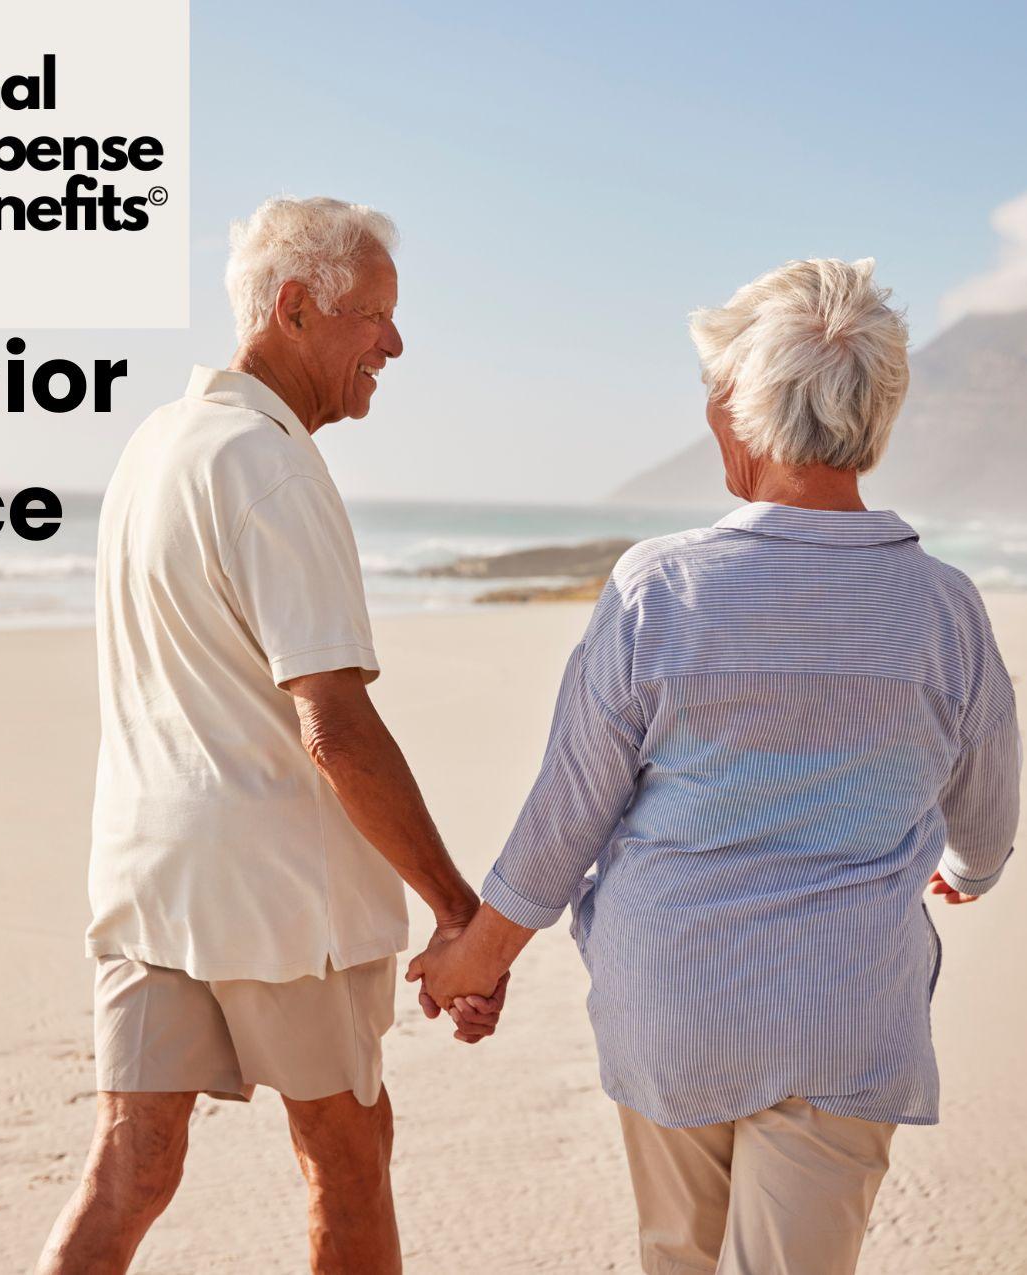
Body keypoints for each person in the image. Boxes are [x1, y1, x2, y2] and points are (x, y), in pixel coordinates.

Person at [411, 257, 1020, 1274]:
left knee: (679, 1258)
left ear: (743, 412)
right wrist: (967, 872)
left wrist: (471, 963)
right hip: (844, 1012)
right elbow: (991, 817)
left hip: (678, 1000)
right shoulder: (944, 608)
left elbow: (567, 820)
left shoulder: (662, 590)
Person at [36, 196, 504, 1275]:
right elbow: (333, 724)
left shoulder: (156, 443)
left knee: (130, 1168)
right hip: (280, 903)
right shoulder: (272, 465)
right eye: (374, 317)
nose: (394, 342)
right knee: (347, 1157)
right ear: (295, 309)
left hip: (147, 880)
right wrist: (457, 910)